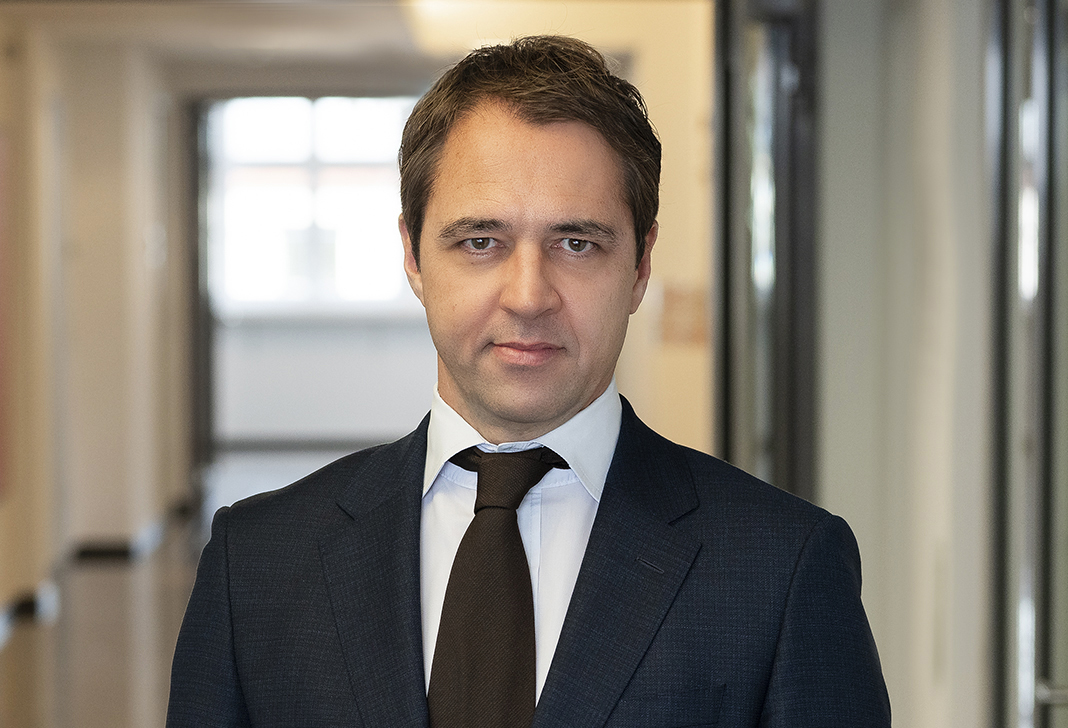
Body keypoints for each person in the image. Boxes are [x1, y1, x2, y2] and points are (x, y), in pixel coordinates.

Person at [167, 35, 891, 727]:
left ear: (640, 266)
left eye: (576, 243)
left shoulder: (783, 570)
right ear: (413, 256)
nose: (528, 296)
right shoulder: (255, 564)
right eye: (480, 241)